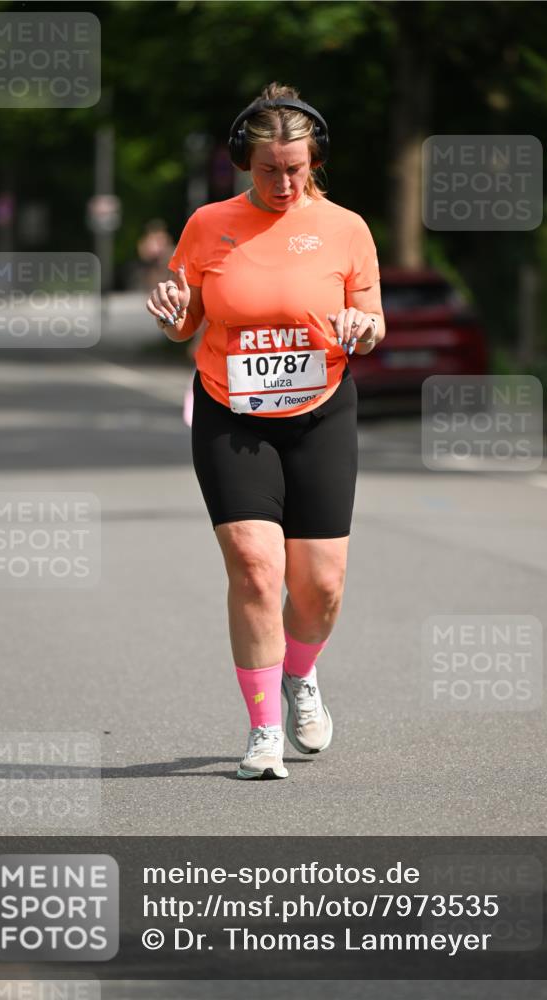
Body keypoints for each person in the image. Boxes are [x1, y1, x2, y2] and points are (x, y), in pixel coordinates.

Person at [146, 82, 383, 780]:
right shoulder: (206, 224)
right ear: (243, 163)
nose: (283, 183)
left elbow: (371, 322)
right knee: (254, 568)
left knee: (321, 587)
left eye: (295, 169)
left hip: (321, 413)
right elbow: (185, 322)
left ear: (316, 161)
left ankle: (299, 674)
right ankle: (263, 731)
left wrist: (363, 325)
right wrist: (171, 316)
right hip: (230, 412)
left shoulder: (346, 228)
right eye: (269, 170)